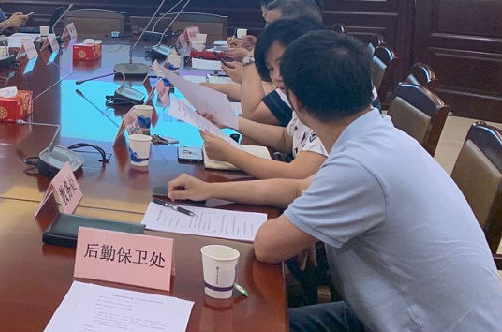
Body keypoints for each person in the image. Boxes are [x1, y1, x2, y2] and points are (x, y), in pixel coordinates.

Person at [168, 31, 502, 332]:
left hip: (411, 322)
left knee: (235, 322)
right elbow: (297, 188)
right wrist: (210, 190)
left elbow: (269, 246)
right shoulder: (382, 139)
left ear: (296, 103)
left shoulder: (359, 166)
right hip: (387, 309)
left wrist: (300, 227)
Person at [199, 18, 327, 179]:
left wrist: (229, 154)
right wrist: (231, 120)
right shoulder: (302, 97)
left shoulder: (330, 108)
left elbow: (296, 176)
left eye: (284, 64)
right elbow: (287, 139)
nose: (276, 77)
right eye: (270, 69)